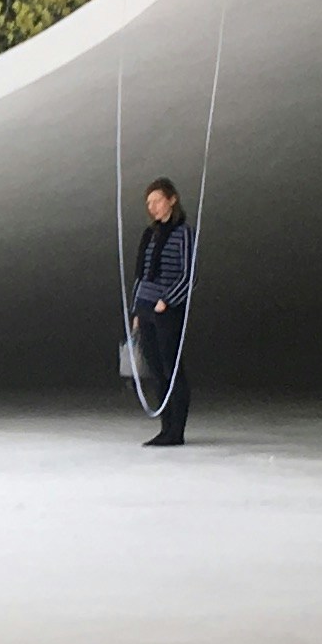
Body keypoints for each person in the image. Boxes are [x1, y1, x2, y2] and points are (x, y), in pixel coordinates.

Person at [130, 178, 195, 447]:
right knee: (156, 370)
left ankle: (176, 430)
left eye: (157, 200)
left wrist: (166, 301)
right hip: (146, 309)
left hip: (167, 310)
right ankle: (164, 427)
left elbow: (188, 275)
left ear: (172, 199)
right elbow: (141, 275)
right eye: (149, 203)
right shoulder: (150, 234)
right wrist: (137, 310)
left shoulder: (184, 233)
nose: (153, 207)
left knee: (172, 368)